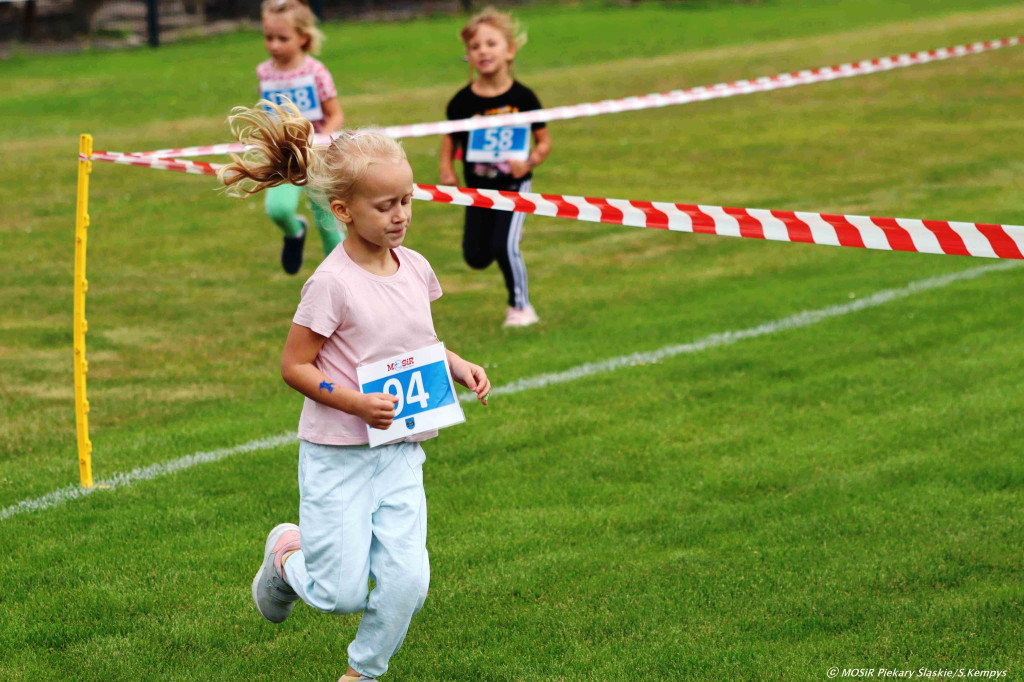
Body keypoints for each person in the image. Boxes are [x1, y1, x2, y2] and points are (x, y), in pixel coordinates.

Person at [219, 101, 491, 682]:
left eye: (407, 201)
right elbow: (295, 366)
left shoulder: (414, 267)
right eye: (386, 205)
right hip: (337, 454)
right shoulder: (331, 284)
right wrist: (354, 402)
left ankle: (364, 672)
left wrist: (457, 362)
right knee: (336, 594)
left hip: (400, 448)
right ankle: (284, 555)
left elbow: (414, 341)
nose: (401, 216)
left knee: (409, 581)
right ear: (343, 210)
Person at [439, 7, 552, 328]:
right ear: (468, 56)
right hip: (476, 188)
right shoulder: (461, 102)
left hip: (514, 186)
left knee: (505, 244)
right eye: (475, 47)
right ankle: (494, 261)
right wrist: (447, 169)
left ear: (510, 50)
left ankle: (521, 306)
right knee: (475, 256)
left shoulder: (524, 97)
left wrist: (529, 162)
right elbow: (451, 139)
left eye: (491, 44)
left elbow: (544, 141)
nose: (483, 52)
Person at [257, 0, 345, 274]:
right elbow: (270, 114)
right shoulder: (264, 72)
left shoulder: (315, 71)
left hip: (317, 156)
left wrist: (318, 143)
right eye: (269, 38)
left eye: (283, 38)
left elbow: (336, 115)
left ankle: (341, 275)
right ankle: (295, 233)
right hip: (285, 156)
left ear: (303, 37)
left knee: (327, 220)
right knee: (278, 209)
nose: (274, 45)